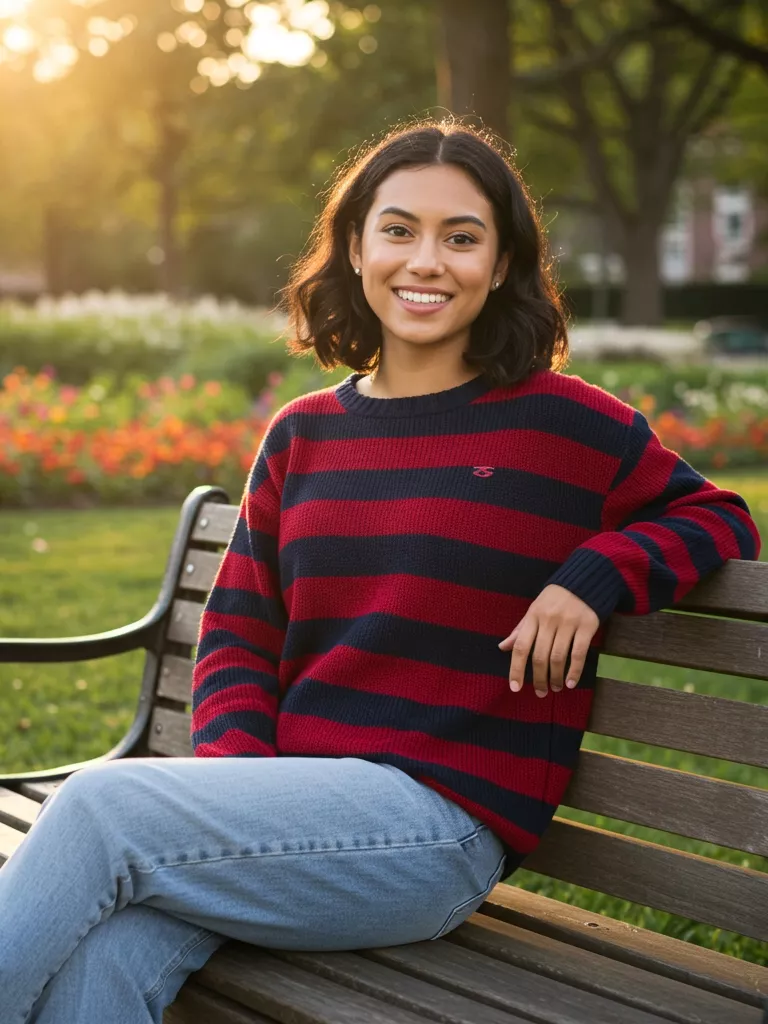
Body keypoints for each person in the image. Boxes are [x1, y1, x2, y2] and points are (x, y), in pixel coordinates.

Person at [0, 119, 761, 1024]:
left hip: (436, 834)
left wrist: (592, 577)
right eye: (399, 230)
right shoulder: (303, 434)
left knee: (96, 812)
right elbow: (240, 638)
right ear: (356, 247)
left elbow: (717, 515)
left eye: (462, 237)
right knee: (108, 955)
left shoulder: (565, 424)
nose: (426, 261)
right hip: (286, 820)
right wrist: (239, 795)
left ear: (504, 263)